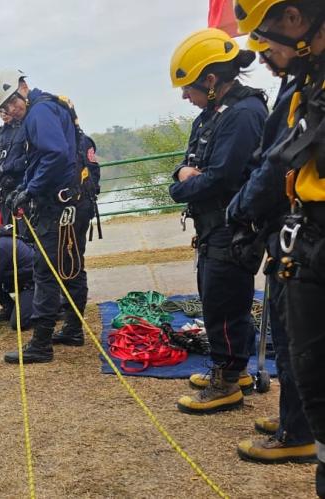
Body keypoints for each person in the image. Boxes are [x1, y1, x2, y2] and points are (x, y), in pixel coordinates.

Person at [234, 0, 325, 493]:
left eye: (266, 36)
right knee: (307, 366)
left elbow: (278, 158)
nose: (263, 50)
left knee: (307, 360)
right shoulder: (307, 78)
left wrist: (245, 206)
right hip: (303, 234)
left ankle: (301, 429)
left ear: (295, 18)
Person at [166, 28, 268, 415]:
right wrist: (184, 176)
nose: (184, 96)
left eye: (188, 87)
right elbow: (188, 165)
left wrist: (182, 187)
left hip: (233, 226)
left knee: (224, 302)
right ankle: (236, 368)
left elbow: (221, 177)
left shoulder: (243, 115)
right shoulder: (212, 116)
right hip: (212, 226)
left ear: (210, 80)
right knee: (216, 298)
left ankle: (226, 381)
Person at [0, 69, 92, 364]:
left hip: (61, 205)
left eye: (11, 102)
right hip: (71, 201)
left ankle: (41, 343)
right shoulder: (46, 108)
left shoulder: (39, 113)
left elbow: (55, 155)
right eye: (4, 107)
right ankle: (72, 329)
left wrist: (30, 190)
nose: (11, 110)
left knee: (45, 270)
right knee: (71, 265)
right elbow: (45, 158)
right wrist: (25, 188)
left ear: (23, 87)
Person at [0, 94, 29, 223]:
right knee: (8, 235)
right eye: (0, 111)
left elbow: (28, 159)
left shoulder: (25, 128)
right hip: (4, 194)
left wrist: (5, 169)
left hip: (21, 189)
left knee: (25, 234)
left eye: (5, 110)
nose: (3, 114)